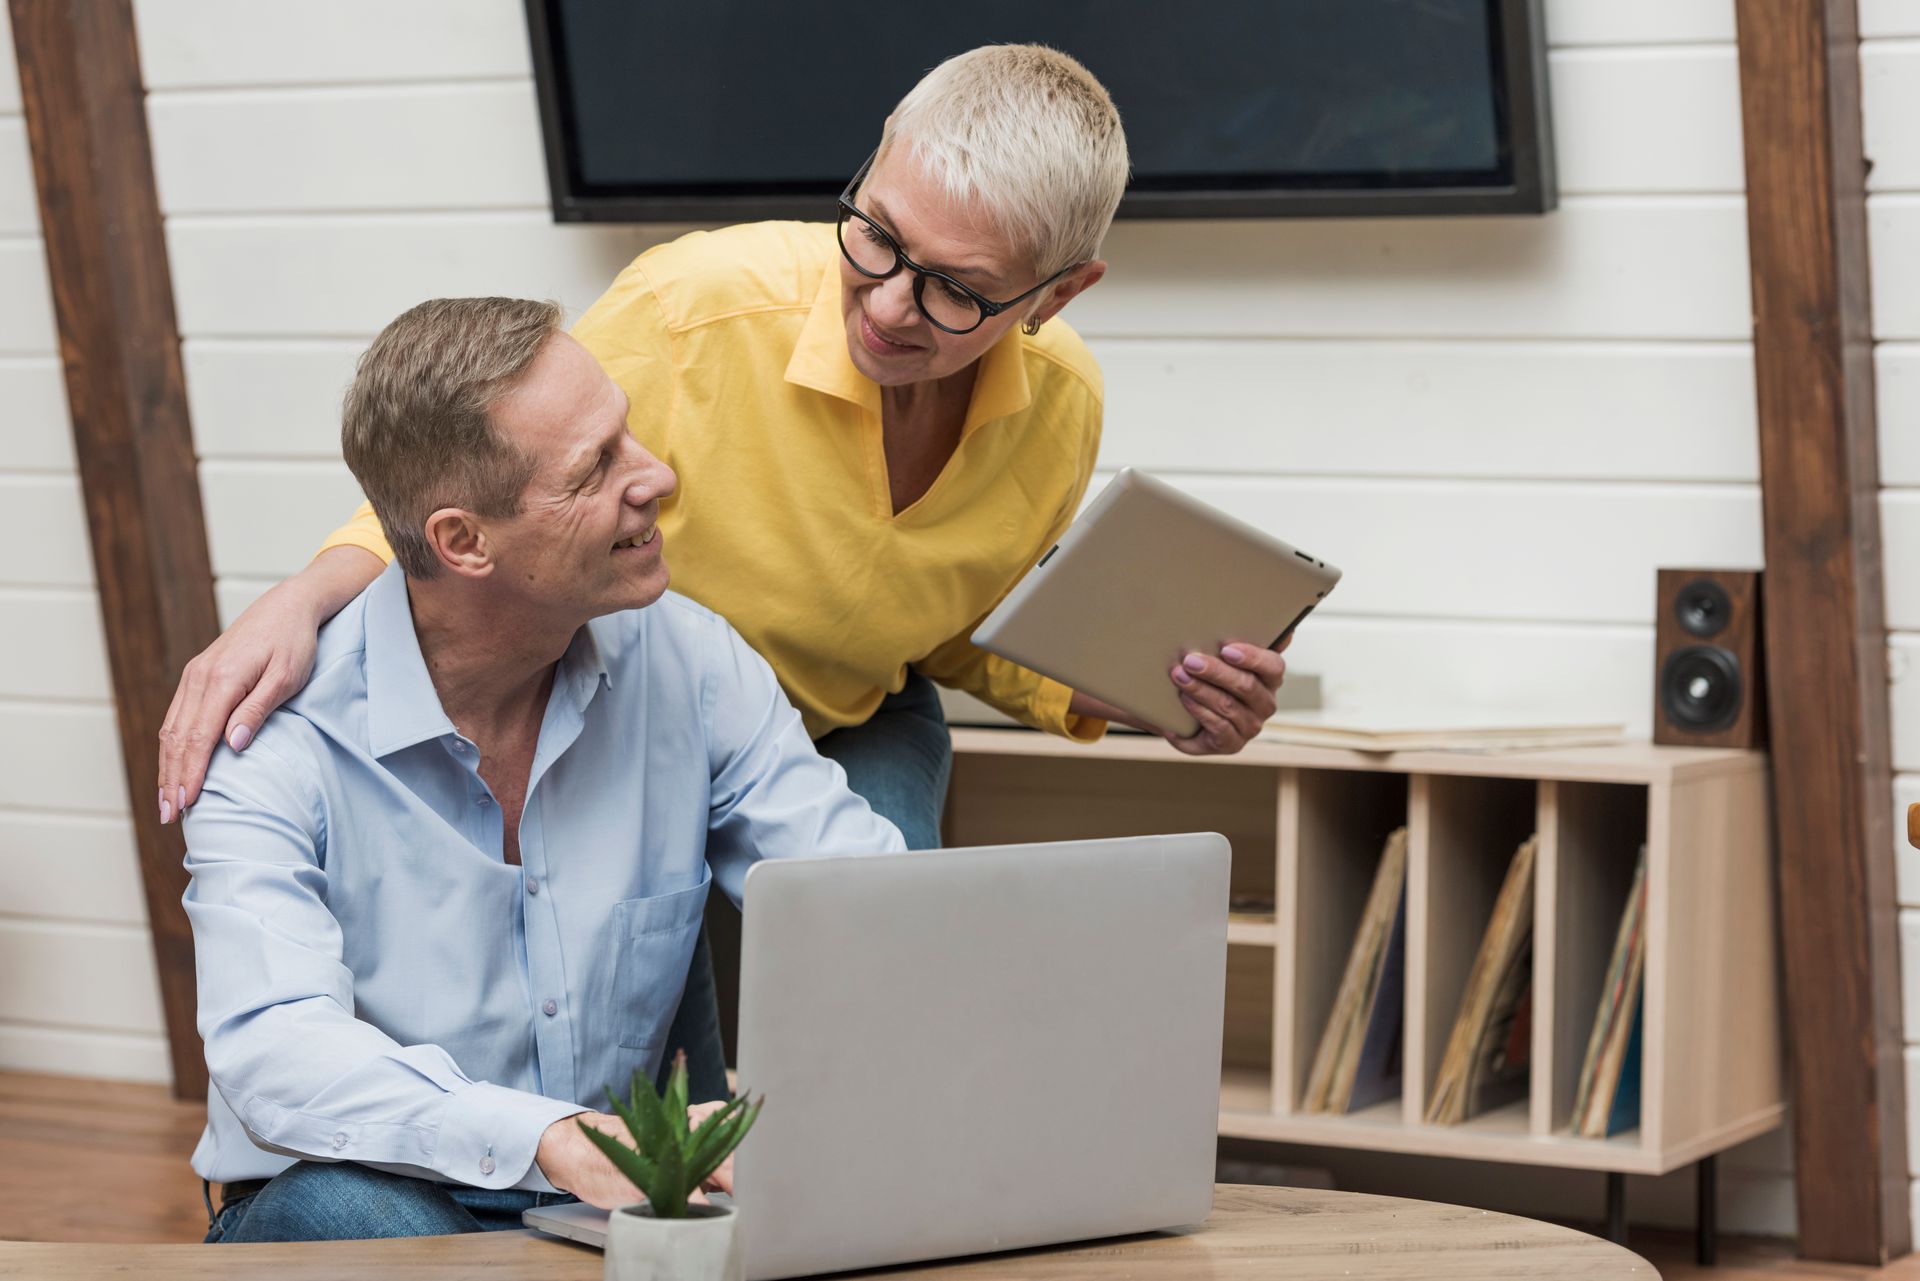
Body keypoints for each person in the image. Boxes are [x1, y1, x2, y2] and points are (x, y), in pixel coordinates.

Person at [158, 45, 1288, 1103]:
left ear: (1055, 296)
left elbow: (949, 622)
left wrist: (1135, 691)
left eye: (957, 291)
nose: (890, 304)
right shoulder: (695, 309)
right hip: (642, 715)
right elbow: (485, 483)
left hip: (847, 720)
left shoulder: (1063, 405)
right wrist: (302, 597)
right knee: (675, 1080)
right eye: (877, 237)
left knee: (884, 1005)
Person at [185, 297, 905, 1243]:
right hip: (371, 1187)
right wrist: (557, 1136)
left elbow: (866, 900)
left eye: (628, 434)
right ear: (463, 541)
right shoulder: (272, 735)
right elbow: (277, 1050)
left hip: (602, 1204)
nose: (659, 477)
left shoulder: (690, 665)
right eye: (594, 469)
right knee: (355, 1212)